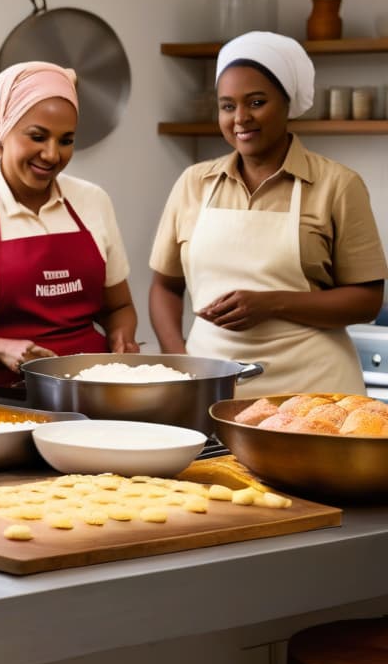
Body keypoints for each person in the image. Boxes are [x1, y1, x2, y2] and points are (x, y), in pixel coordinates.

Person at [149, 31, 387, 397]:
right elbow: (165, 285)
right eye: (227, 106)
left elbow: (366, 299)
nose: (240, 118)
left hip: (314, 388)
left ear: (287, 103)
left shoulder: (337, 185)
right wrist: (181, 362)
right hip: (211, 383)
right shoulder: (194, 183)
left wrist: (272, 302)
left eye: (256, 102)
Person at [0, 61, 139, 394]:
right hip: (4, 398)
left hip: (94, 391)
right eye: (37, 137)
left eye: (66, 140)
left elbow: (118, 306)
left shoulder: (93, 201)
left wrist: (122, 337)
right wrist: (1, 347)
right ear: (2, 131)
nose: (51, 154)